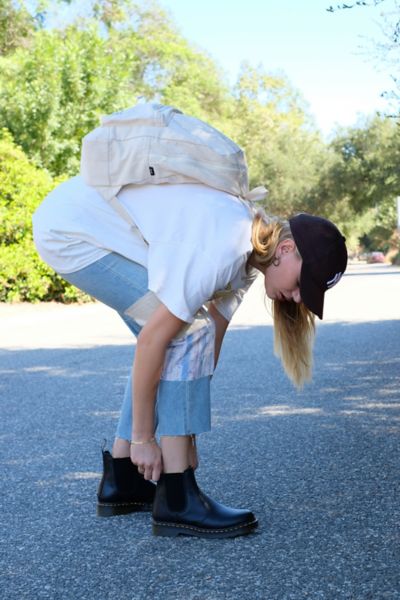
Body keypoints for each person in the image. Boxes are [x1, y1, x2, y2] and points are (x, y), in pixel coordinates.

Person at [32, 175, 347, 539]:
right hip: (72, 232)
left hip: (81, 225)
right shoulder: (225, 245)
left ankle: (123, 479)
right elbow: (156, 340)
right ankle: (178, 498)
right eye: (302, 284)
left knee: (188, 334)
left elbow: (204, 355)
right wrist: (145, 440)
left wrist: (186, 433)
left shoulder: (245, 260)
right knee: (184, 332)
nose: (296, 298)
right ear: (288, 248)